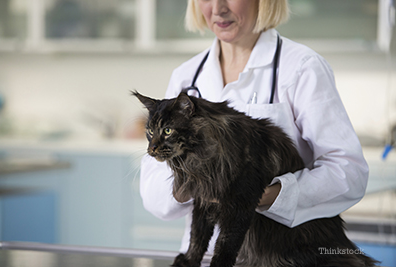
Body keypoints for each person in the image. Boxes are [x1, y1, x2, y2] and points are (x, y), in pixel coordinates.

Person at [139, 0, 369, 255]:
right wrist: (188, 186)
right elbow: (152, 191)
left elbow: (348, 171)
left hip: (281, 253)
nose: (218, 9)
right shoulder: (187, 75)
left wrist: (266, 196)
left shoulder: (302, 68)